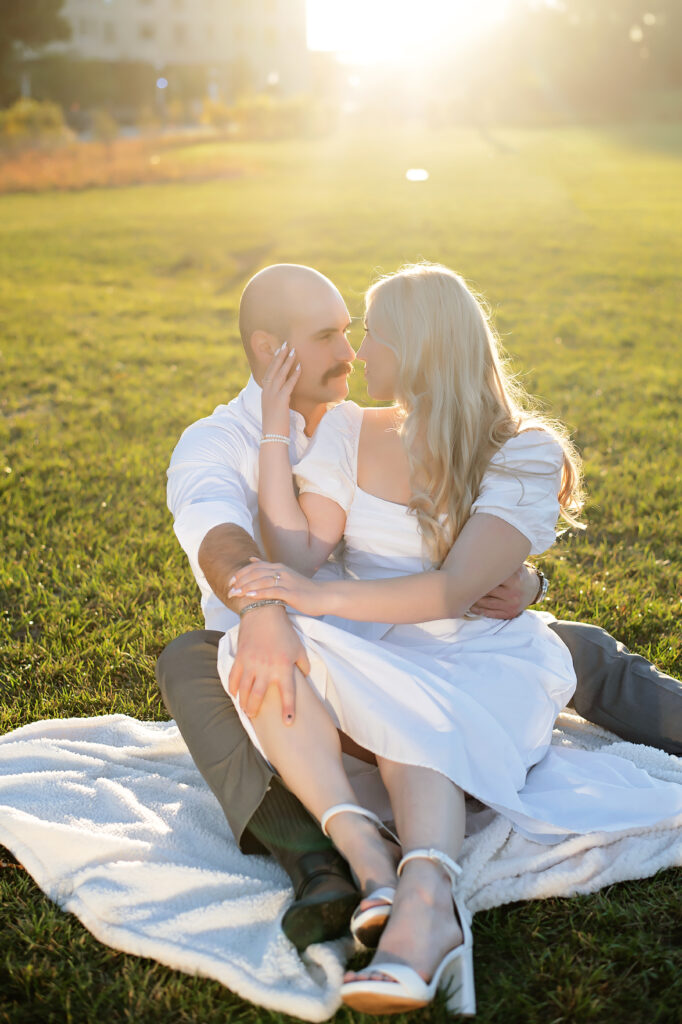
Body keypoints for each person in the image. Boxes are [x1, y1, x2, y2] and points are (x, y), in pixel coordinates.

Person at [156, 264, 682, 955]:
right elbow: (219, 537)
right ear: (267, 349)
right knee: (190, 660)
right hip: (296, 641)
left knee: (568, 646)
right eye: (328, 336)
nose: (351, 353)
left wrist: (524, 586)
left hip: (408, 627)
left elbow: (454, 551)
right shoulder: (216, 441)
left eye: (354, 332)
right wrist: (262, 605)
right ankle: (317, 863)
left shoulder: (364, 418)